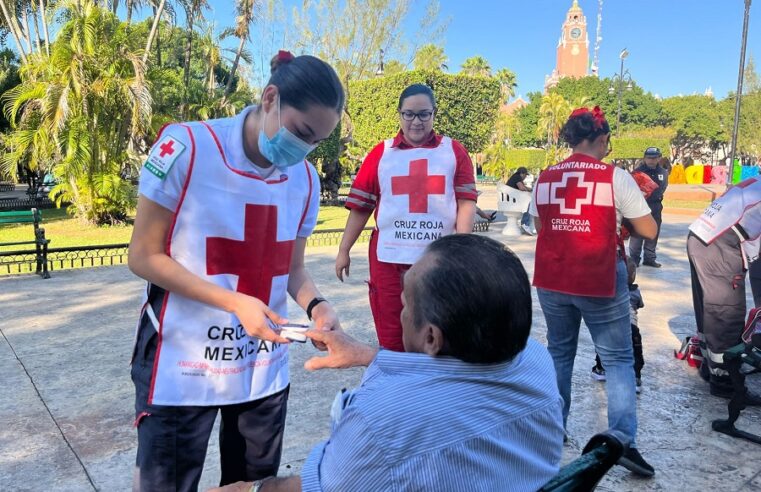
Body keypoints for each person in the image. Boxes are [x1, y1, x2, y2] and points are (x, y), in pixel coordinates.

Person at [127, 51, 345, 491]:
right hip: (183, 359)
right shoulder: (186, 147)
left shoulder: (303, 179)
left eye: (317, 142)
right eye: (301, 132)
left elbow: (292, 268)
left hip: (261, 362)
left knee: (253, 486)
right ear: (270, 99)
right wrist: (232, 301)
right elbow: (143, 256)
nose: (304, 150)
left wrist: (317, 304)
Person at [211, 234, 565, 492]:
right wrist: (369, 355)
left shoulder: (380, 421)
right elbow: (452, 382)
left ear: (431, 338)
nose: (400, 308)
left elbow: (323, 487)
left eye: (406, 302)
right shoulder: (535, 360)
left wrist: (250, 489)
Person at [530, 106, 657, 477]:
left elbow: (540, 224)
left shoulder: (546, 176)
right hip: (599, 278)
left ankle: (552, 436)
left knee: (559, 354)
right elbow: (648, 231)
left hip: (553, 278)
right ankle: (622, 442)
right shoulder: (615, 178)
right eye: (607, 143)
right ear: (601, 139)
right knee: (618, 360)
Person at [335, 84, 477, 352]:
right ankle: (395, 388)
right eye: (409, 114)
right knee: (391, 335)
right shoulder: (381, 153)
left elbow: (465, 204)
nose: (416, 121)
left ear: (434, 114)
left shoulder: (454, 151)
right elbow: (362, 207)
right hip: (388, 261)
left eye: (424, 114)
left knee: (438, 335)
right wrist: (344, 249)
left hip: (436, 262)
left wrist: (462, 252)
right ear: (399, 115)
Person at [687, 176, 761, 404]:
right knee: (726, 312)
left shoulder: (754, 182)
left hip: (700, 237)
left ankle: (710, 367)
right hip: (720, 245)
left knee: (709, 308)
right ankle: (726, 382)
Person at [591, 258, 646, 393]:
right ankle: (636, 378)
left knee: (603, 347)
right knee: (635, 352)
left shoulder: (609, 290)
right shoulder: (636, 292)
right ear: (633, 277)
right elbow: (640, 305)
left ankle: (601, 369)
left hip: (610, 323)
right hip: (632, 327)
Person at [629, 147, 668, 268]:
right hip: (640, 206)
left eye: (654, 158)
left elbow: (661, 189)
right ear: (644, 158)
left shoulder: (663, 172)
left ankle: (649, 258)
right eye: (649, 158)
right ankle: (634, 259)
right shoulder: (637, 172)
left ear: (659, 158)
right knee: (637, 233)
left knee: (653, 233)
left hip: (655, 206)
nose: (651, 160)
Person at [506, 166, 535, 235]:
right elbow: (522, 188)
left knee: (527, 201)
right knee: (529, 202)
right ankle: (525, 223)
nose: (525, 177)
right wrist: (530, 190)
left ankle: (525, 224)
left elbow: (522, 187)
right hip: (511, 201)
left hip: (507, 200)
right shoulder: (517, 177)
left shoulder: (514, 177)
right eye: (525, 175)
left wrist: (529, 189)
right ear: (522, 173)